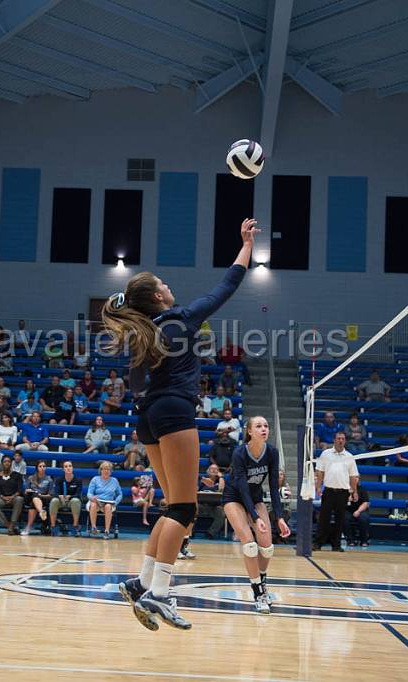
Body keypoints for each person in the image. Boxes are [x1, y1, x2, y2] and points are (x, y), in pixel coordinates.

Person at [110, 217, 257, 631]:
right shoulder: (179, 318)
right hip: (173, 412)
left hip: (148, 418)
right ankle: (159, 594)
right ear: (158, 295)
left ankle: (141, 583)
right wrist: (245, 244)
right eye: (165, 283)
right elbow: (226, 286)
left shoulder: (142, 334)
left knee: (174, 507)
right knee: (183, 508)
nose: (171, 286)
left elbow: (136, 384)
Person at [222, 416, 290, 613]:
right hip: (234, 497)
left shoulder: (272, 453)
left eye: (266, 426)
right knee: (250, 545)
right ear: (250, 431)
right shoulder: (239, 453)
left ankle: (261, 580)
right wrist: (256, 517)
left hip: (256, 497)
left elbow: (274, 486)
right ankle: (258, 593)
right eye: (258, 426)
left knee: (267, 547)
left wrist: (279, 517)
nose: (264, 429)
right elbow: (242, 488)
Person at [314, 431, 359, 552]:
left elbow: (353, 476)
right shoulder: (325, 454)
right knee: (324, 518)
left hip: (343, 492)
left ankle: (336, 545)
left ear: (345, 441)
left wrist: (354, 492)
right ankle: (318, 543)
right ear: (334, 440)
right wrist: (318, 487)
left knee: (340, 519)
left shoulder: (349, 456)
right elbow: (320, 472)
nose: (340, 441)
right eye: (338, 438)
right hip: (328, 491)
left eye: (343, 439)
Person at [0, 455, 25, 535]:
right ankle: (9, 526)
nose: (7, 463)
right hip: (2, 498)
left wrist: (12, 497)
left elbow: (20, 489)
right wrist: (3, 497)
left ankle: (12, 524)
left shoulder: (17, 475)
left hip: (14, 498)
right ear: (2, 463)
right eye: (5, 461)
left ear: (11, 463)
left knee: (20, 499)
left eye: (8, 461)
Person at [87, 461, 122, 539]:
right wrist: (92, 497)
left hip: (109, 502)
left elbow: (120, 494)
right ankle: (93, 527)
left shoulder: (114, 481)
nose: (106, 471)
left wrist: (116, 502)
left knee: (108, 507)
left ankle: (107, 531)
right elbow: (89, 493)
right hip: (97, 501)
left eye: (108, 469)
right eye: (105, 469)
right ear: (101, 470)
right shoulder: (95, 479)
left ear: (111, 471)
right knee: (93, 504)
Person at [50, 460, 84, 535]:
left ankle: (75, 526)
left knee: (76, 501)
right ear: (63, 469)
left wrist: (70, 497)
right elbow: (54, 493)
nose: (68, 468)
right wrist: (59, 496)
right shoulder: (59, 479)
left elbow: (78, 494)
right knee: (54, 501)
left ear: (72, 468)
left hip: (71, 501)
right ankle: (53, 526)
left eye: (70, 466)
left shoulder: (78, 480)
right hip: (61, 501)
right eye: (66, 466)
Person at [23, 461, 55, 534]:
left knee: (33, 503)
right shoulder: (31, 478)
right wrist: (28, 491)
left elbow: (50, 495)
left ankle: (28, 527)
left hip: (44, 498)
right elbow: (26, 491)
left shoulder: (49, 479)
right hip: (30, 497)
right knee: (34, 496)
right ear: (37, 468)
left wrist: (41, 495)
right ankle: (41, 512)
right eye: (40, 466)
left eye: (44, 466)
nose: (42, 468)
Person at [344, 481, 370, 548]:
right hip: (348, 510)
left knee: (363, 518)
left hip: (361, 509)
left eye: (357, 477)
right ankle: (350, 540)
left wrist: (358, 511)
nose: (355, 479)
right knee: (344, 518)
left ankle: (364, 540)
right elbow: (339, 503)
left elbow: (366, 503)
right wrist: (346, 500)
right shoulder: (344, 489)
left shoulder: (362, 489)